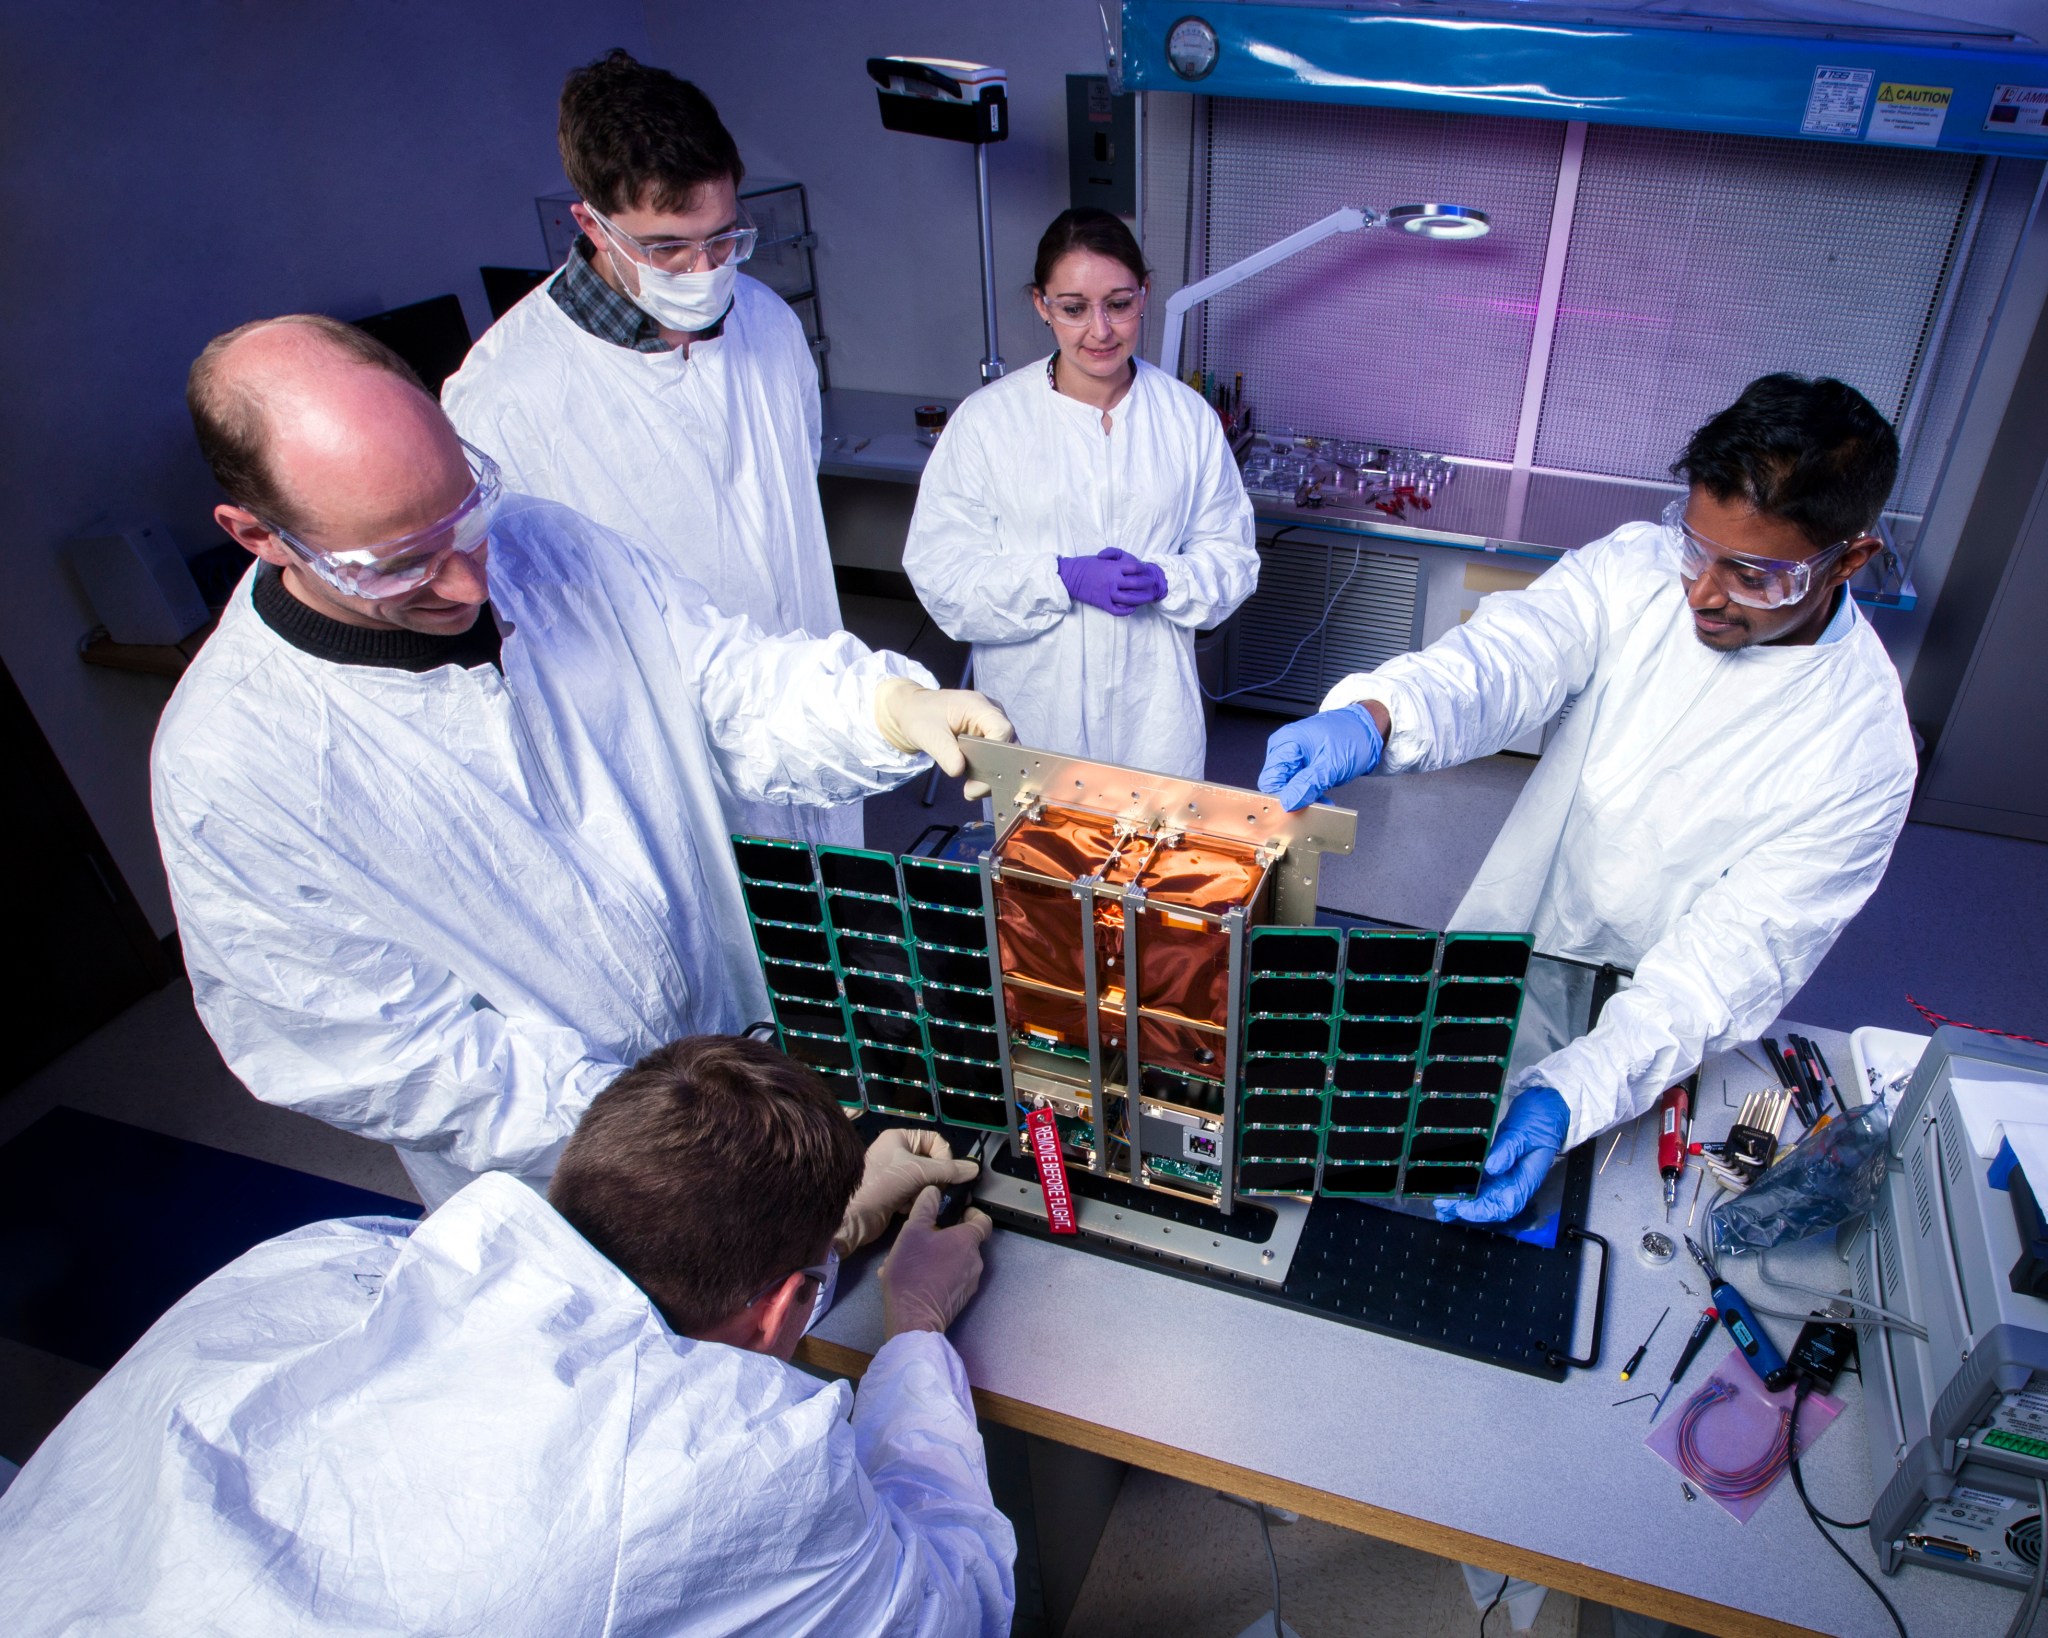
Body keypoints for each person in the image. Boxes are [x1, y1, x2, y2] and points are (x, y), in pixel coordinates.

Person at [157, 314, 1010, 1209]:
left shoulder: (548, 547)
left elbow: (720, 685)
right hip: (579, 1175)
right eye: (401, 564)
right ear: (257, 535)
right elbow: (398, 1057)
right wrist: (703, 1141)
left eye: (465, 515)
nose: (468, 582)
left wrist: (881, 708)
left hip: (746, 1050)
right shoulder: (234, 767)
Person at [0, 1035, 1016, 1636]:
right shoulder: (726, 1466)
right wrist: (915, 1330)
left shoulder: (322, 1261)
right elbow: (951, 1603)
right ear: (784, 1309)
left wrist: (827, 1236)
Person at [1258, 375, 1917, 1222]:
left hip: (1654, 1010)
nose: (1702, 594)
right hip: (1530, 929)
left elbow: (1724, 969)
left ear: (1850, 558)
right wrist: (1385, 712)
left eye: (1750, 573)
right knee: (1426, 1132)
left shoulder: (1860, 753)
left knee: (1584, 1203)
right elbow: (1510, 656)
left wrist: (1574, 1095)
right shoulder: (1637, 566)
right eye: (1697, 548)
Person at [444, 51, 857, 850]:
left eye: (724, 237)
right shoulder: (505, 399)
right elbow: (522, 622)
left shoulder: (765, 319)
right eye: (668, 248)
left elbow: (792, 483)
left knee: (825, 923)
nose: (705, 270)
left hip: (805, 712)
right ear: (591, 224)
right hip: (663, 770)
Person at [902, 207, 1258, 780]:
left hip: (1156, 727)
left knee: (1155, 864)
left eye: (1119, 304)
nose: (1100, 330)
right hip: (1033, 719)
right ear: (1042, 305)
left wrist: (1170, 579)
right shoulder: (988, 423)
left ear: (1144, 295)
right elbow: (942, 576)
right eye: (1073, 308)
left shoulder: (1185, 419)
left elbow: (1234, 558)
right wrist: (1059, 578)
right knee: (1038, 863)